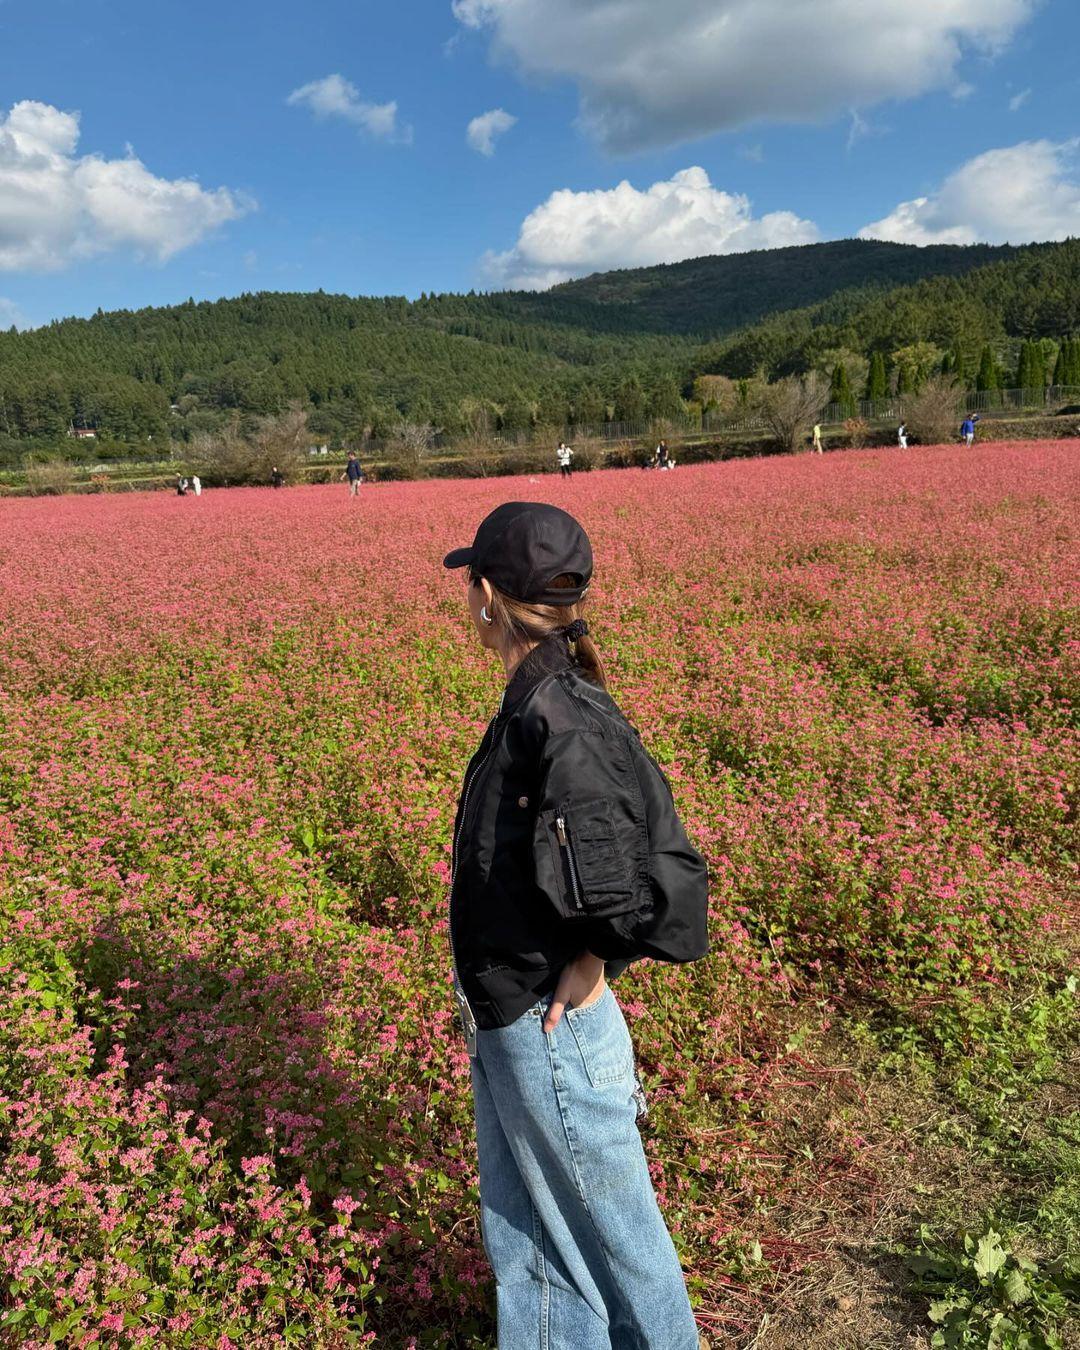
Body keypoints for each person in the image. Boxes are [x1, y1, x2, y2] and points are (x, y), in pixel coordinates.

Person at [443, 502, 709, 1350]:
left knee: (617, 1243)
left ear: (487, 595)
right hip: (512, 1013)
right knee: (532, 1241)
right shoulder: (548, 699)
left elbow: (633, 880)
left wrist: (593, 960)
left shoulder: (559, 715)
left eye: (468, 584)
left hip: (546, 1025)